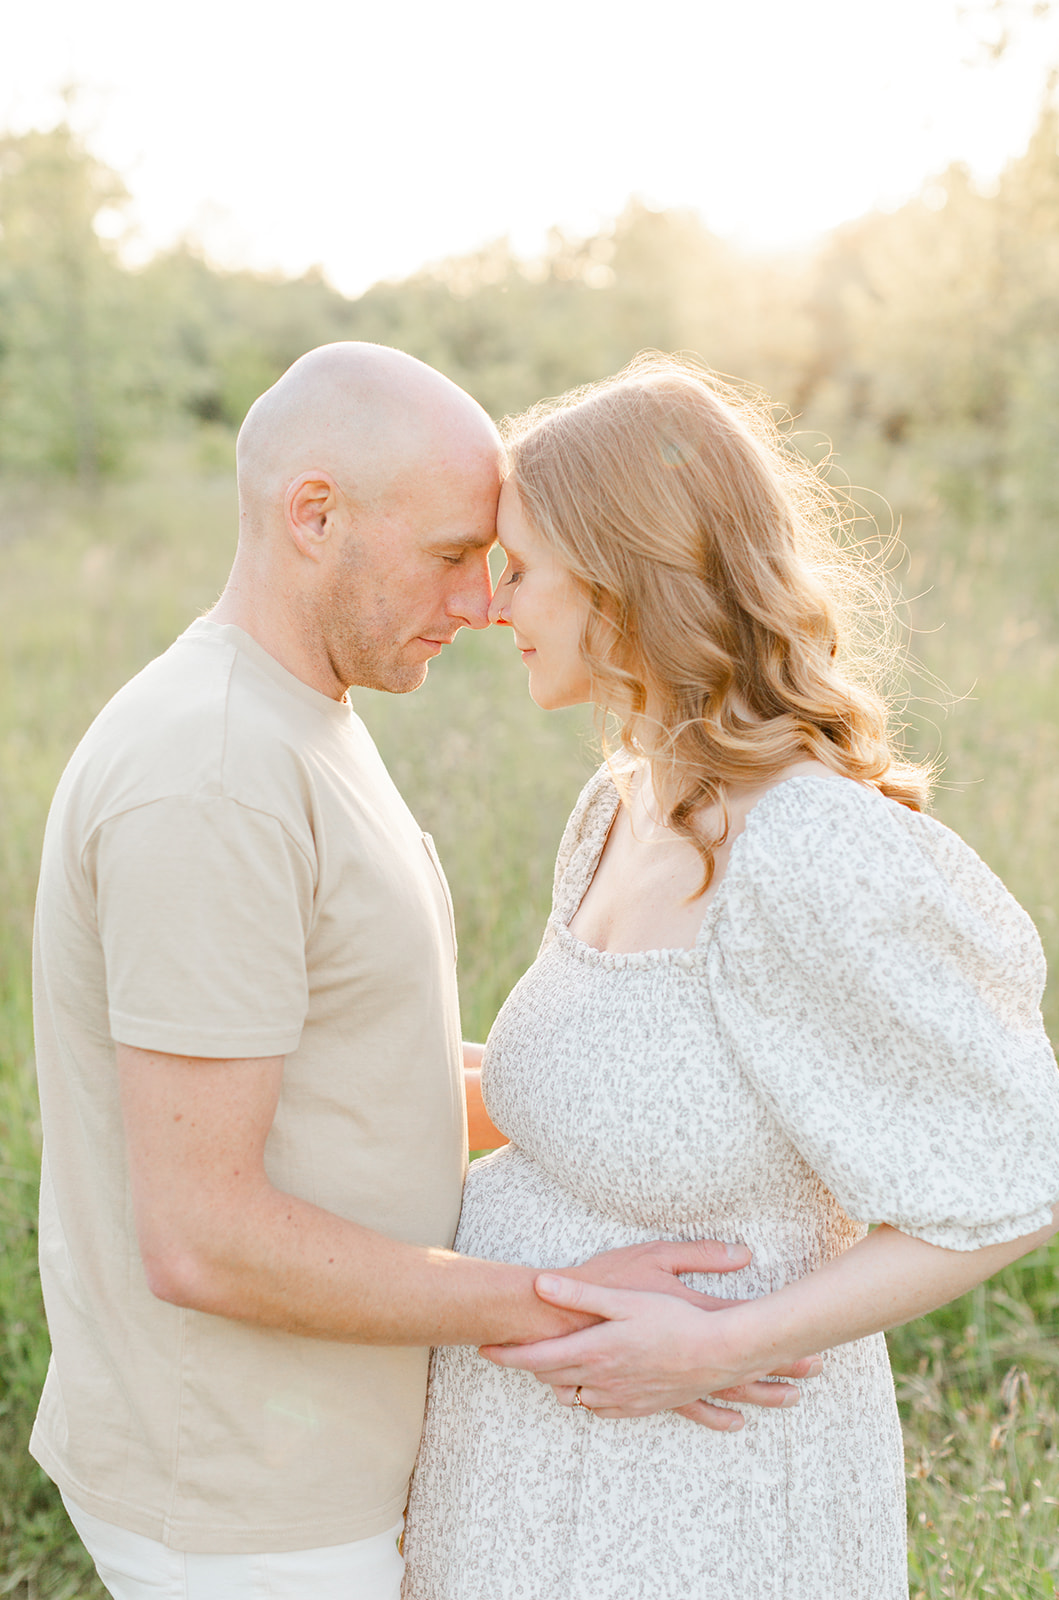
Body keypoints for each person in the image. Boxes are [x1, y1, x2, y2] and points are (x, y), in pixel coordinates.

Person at [30, 342, 814, 1600]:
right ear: (314, 514)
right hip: (247, 1501)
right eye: (453, 553)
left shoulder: (304, 717)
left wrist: (699, 1093)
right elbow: (201, 1238)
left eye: (496, 565)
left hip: (329, 1456)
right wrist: (558, 1302)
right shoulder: (213, 773)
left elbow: (355, 1080)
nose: (484, 603)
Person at [401, 353, 1059, 1599]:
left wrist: (720, 1344)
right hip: (517, 1474)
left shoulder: (812, 850)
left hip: (699, 1499)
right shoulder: (617, 804)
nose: (495, 607)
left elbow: (1013, 1177)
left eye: (522, 568)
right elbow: (588, 1087)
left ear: (623, 585)